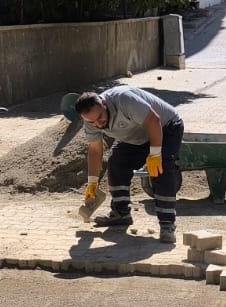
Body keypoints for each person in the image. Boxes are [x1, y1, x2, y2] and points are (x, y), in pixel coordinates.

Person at [76, 86, 185, 243]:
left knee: (161, 168)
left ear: (104, 104)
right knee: (116, 162)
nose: (98, 124)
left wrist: (155, 155)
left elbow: (153, 120)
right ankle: (121, 214)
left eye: (100, 117)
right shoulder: (91, 122)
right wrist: (92, 182)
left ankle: (167, 224)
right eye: (92, 122)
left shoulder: (124, 99)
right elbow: (95, 150)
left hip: (166, 127)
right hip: (137, 135)